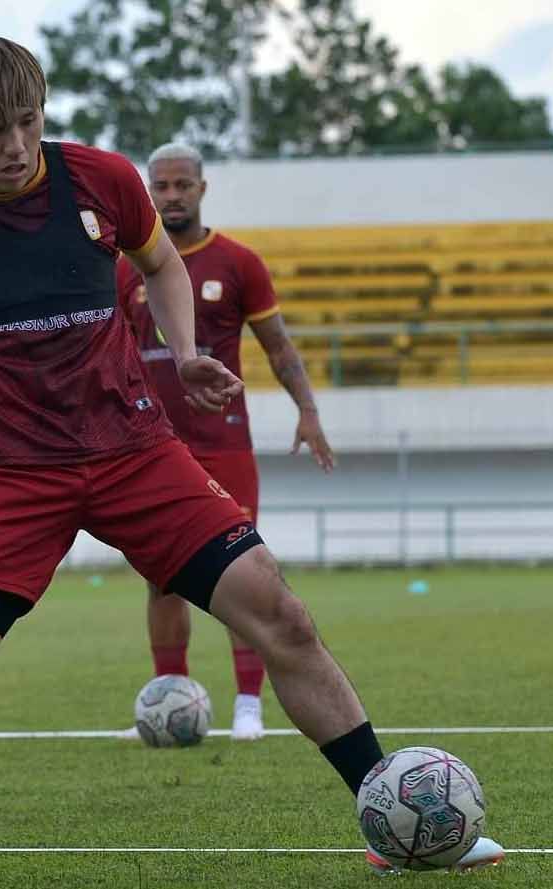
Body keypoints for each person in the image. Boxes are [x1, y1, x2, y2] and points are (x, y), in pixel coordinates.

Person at [0, 34, 504, 881]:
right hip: (13, 472)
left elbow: (159, 263)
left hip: (134, 450)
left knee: (284, 616)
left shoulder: (103, 178)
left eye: (26, 122)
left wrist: (184, 349)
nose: (13, 146)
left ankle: (392, 816)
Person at [117, 141, 335, 742]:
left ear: (202, 188)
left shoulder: (238, 263)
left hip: (225, 444)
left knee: (244, 575)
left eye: (182, 184)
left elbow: (279, 348)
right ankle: (170, 695)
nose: (171, 195)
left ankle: (247, 704)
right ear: (149, 191)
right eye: (160, 186)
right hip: (152, 446)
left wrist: (308, 410)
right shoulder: (124, 267)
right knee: (161, 580)